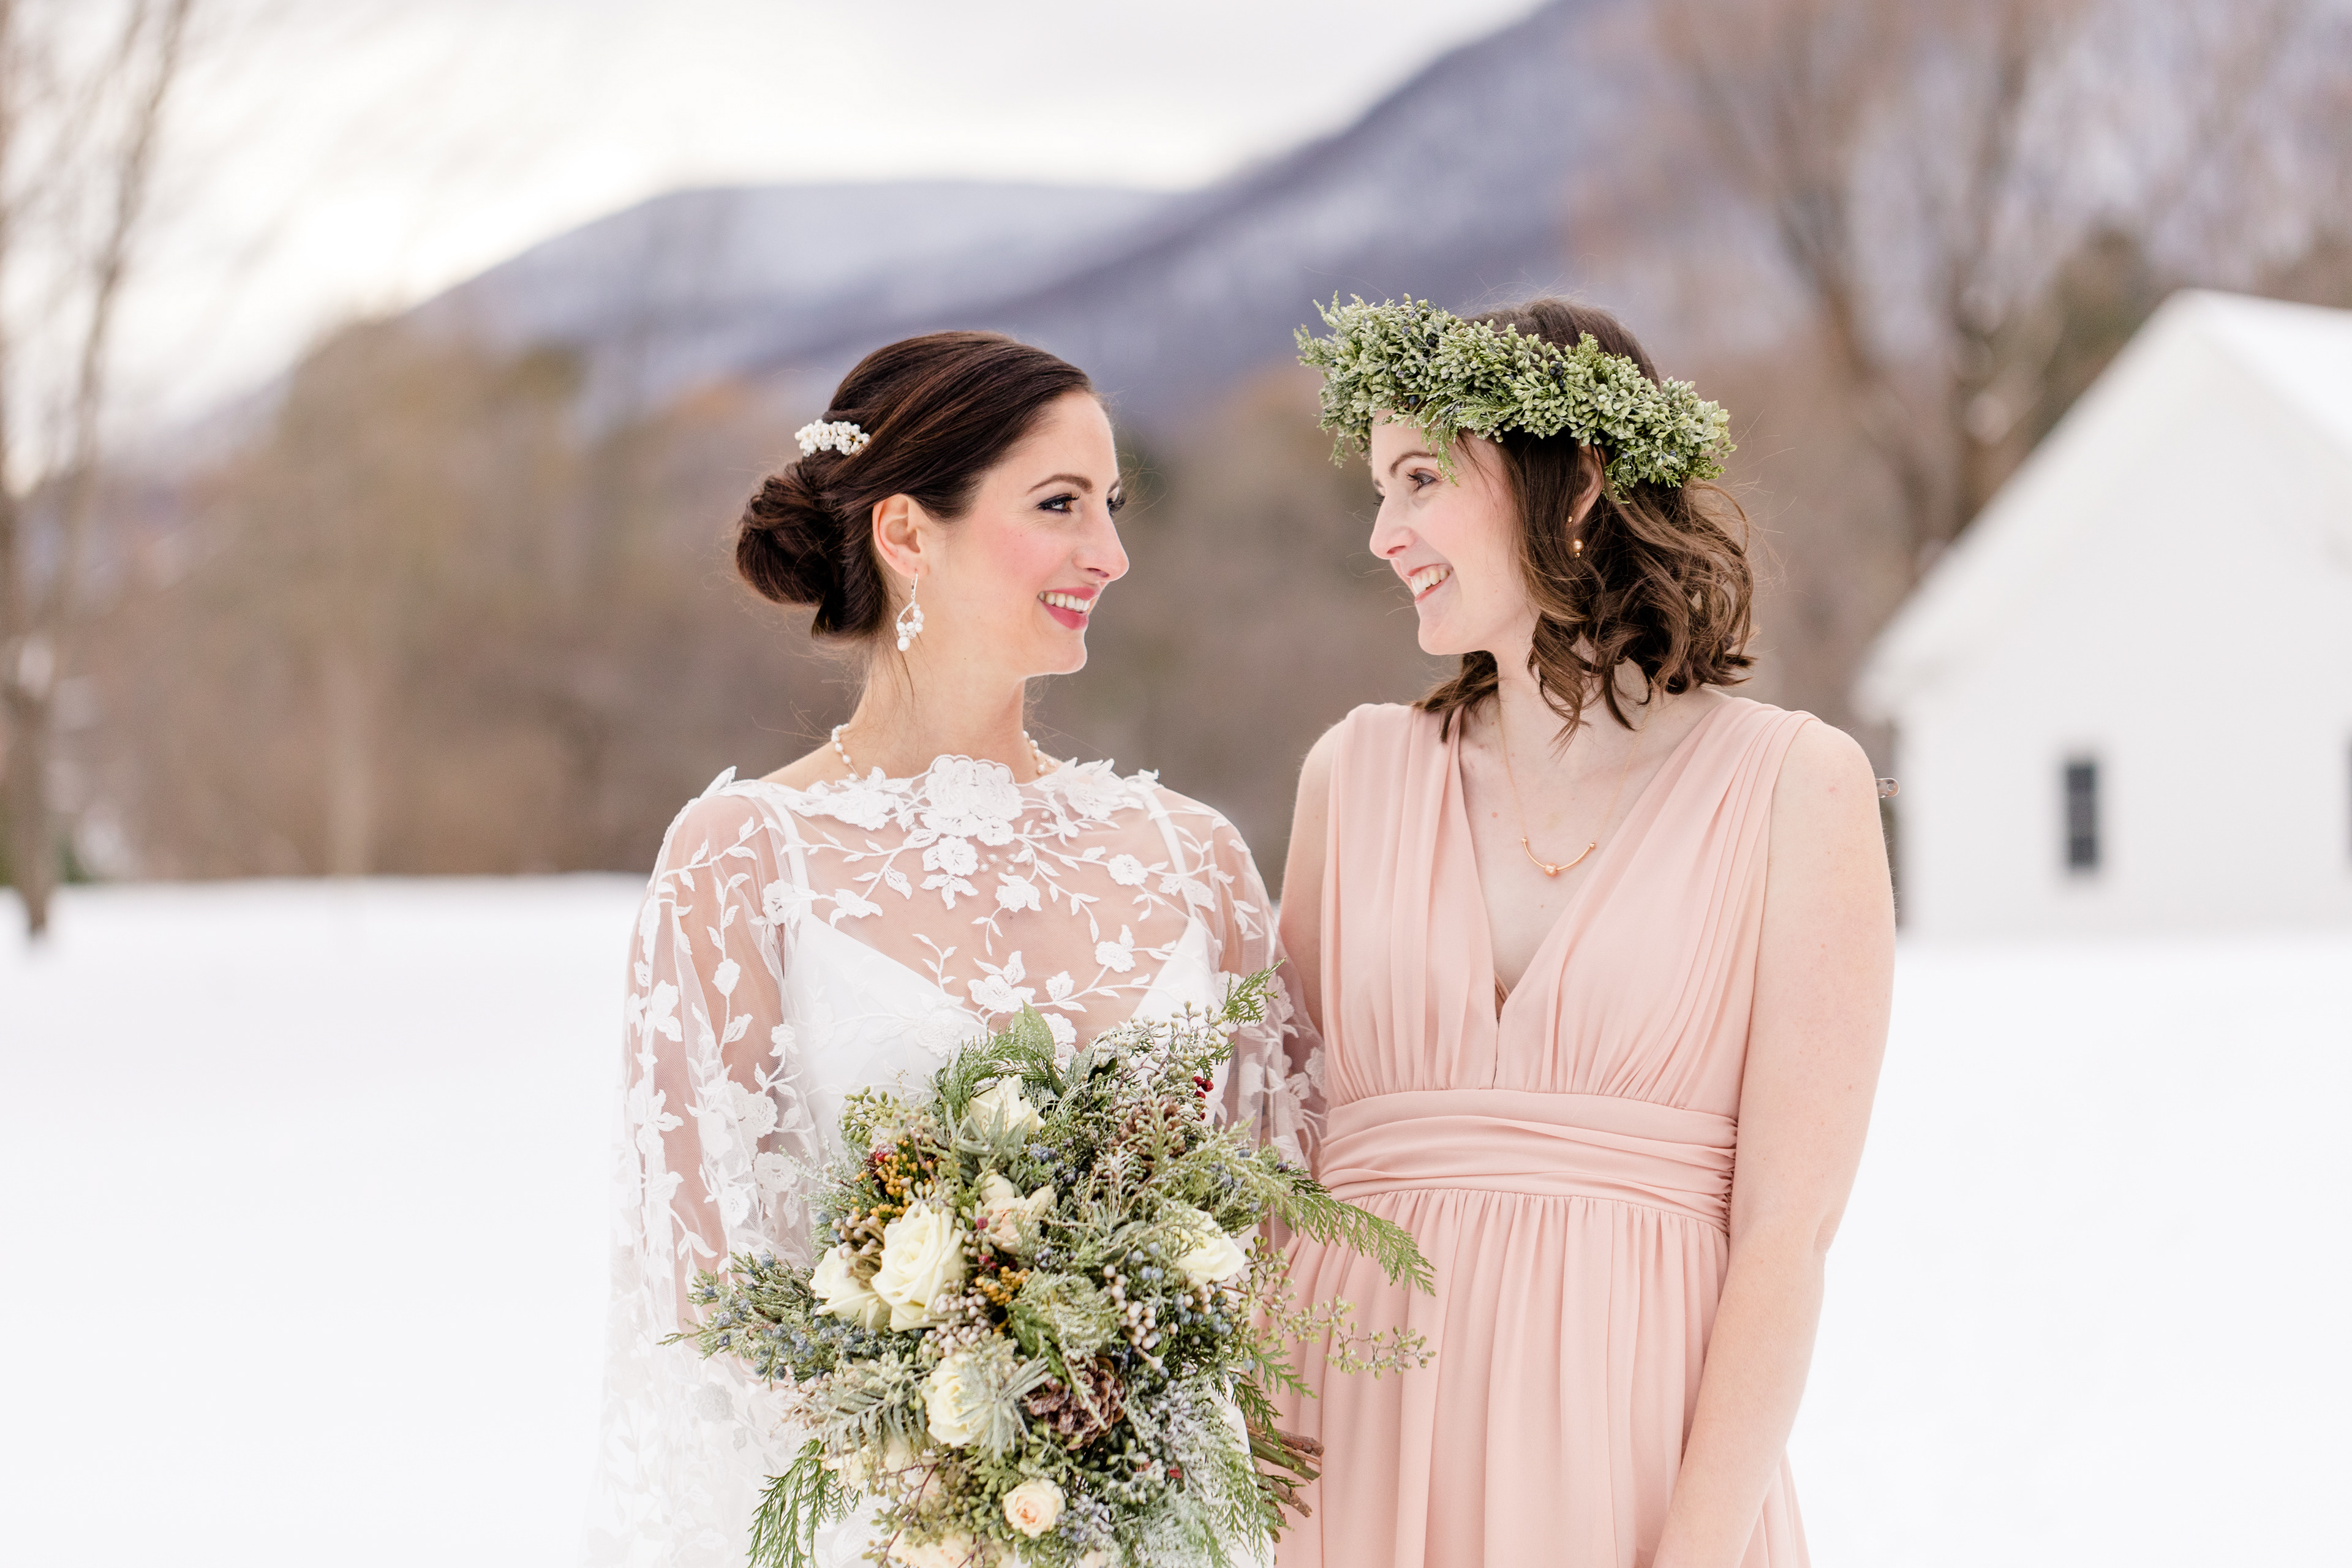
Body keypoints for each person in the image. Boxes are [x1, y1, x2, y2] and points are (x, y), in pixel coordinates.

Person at [584, 331, 1317, 1567]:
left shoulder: (1192, 859)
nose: (1112, 552)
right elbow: (709, 1318)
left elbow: (1288, 1258)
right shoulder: (748, 861)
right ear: (908, 532)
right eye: (1060, 505)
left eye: (1113, 507)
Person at [1272, 297, 1893, 1568]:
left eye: (1421, 478)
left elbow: (1788, 1224)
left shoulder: (1793, 785)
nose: (1384, 531)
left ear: (1574, 486)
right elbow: (1274, 1162)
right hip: (1355, 1454)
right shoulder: (1355, 773)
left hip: (1632, 1463)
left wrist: (1699, 1546)